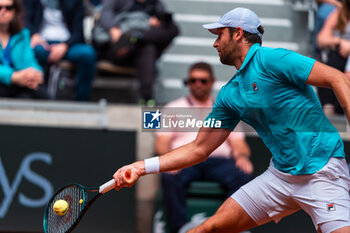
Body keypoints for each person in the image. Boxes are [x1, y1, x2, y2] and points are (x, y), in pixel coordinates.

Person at [113, 7, 350, 233]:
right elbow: (198, 149)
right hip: (280, 177)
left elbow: (338, 78)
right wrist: (140, 167)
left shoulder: (274, 60)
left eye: (219, 35)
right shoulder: (230, 94)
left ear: (237, 34)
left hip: (324, 171)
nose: (215, 43)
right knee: (208, 228)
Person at [157, 62, 253, 233]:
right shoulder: (172, 107)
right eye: (193, 80)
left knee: (243, 173)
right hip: (186, 159)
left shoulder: (225, 109)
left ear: (212, 82)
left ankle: (229, 226)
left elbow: (239, 144)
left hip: (218, 161)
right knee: (169, 176)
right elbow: (162, 143)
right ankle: (180, 229)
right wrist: (169, 160)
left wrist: (242, 157)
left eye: (202, 80)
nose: (197, 84)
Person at [96, 0, 179, 106]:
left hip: (139, 48)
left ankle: (135, 37)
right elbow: (105, 13)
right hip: (114, 47)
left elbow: (169, 28)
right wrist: (113, 29)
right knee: (149, 47)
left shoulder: (156, 5)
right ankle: (147, 98)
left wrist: (155, 24)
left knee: (153, 44)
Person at [23, 0, 96, 101]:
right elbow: (24, 21)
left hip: (68, 43)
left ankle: (82, 99)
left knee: (87, 54)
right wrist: (34, 34)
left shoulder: (74, 2)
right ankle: (39, 96)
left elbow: (78, 32)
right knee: (35, 53)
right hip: (42, 41)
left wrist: (65, 45)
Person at [0, 0, 46, 99]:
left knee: (38, 92)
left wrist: (36, 73)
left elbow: (29, 60)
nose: (3, 11)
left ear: (15, 11)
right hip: (5, 80)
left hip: (19, 81)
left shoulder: (23, 34)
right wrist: (13, 76)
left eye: (8, 8)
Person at [317, 0, 350, 115]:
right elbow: (321, 40)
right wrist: (340, 41)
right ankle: (328, 109)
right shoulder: (340, 13)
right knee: (327, 68)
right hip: (342, 54)